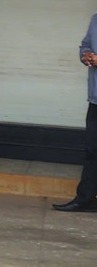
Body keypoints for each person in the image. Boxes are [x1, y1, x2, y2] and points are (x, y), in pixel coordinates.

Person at [53, 12, 97, 213]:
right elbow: (85, 44)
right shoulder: (96, 19)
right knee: (92, 150)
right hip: (95, 98)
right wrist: (85, 54)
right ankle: (85, 199)